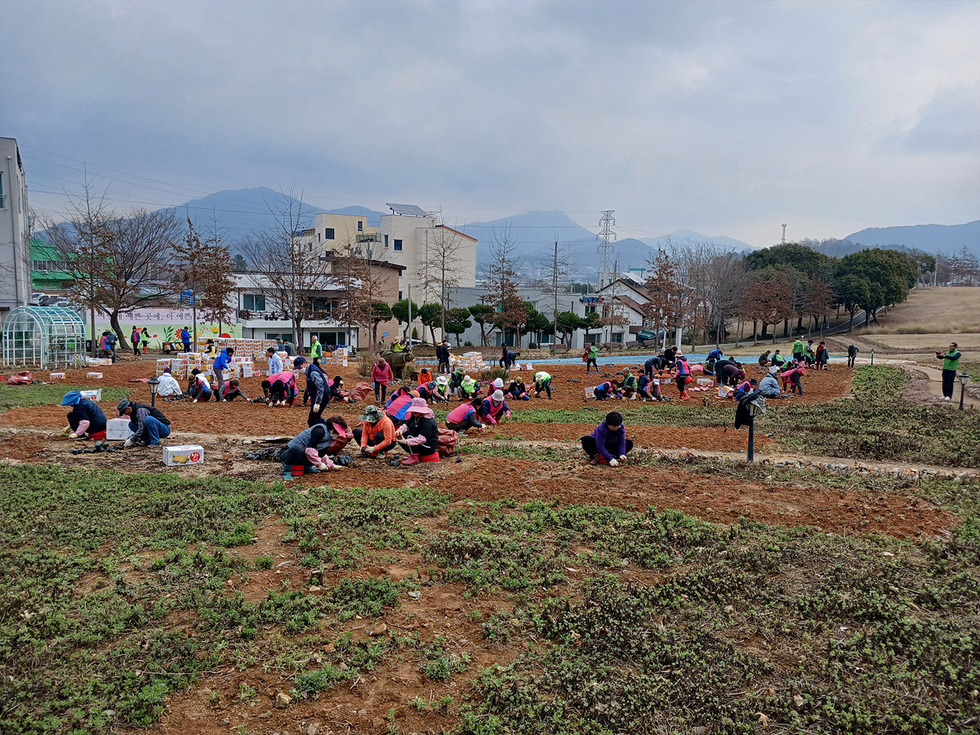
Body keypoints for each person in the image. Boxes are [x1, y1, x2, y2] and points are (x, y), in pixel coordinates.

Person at [279, 424, 345, 481]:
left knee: (325, 448)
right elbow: (309, 450)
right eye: (337, 433)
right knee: (296, 449)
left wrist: (331, 465)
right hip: (288, 454)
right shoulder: (319, 431)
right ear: (332, 430)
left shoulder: (327, 437)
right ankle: (287, 471)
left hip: (301, 455)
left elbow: (319, 452)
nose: (337, 435)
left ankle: (307, 467)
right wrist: (319, 464)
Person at [397, 397, 441, 465]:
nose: (415, 412)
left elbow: (422, 439)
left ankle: (415, 456)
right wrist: (400, 430)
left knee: (408, 436)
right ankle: (412, 454)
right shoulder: (415, 416)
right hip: (420, 441)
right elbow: (407, 425)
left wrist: (406, 441)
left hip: (428, 446)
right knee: (401, 435)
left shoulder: (428, 422)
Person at [296, 356, 329, 426]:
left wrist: (317, 403)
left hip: (323, 396)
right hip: (318, 396)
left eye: (300, 367)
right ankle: (328, 425)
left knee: (312, 420)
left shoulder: (313, 373)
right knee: (315, 418)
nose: (299, 370)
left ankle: (328, 427)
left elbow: (320, 387)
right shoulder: (310, 369)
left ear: (304, 363)